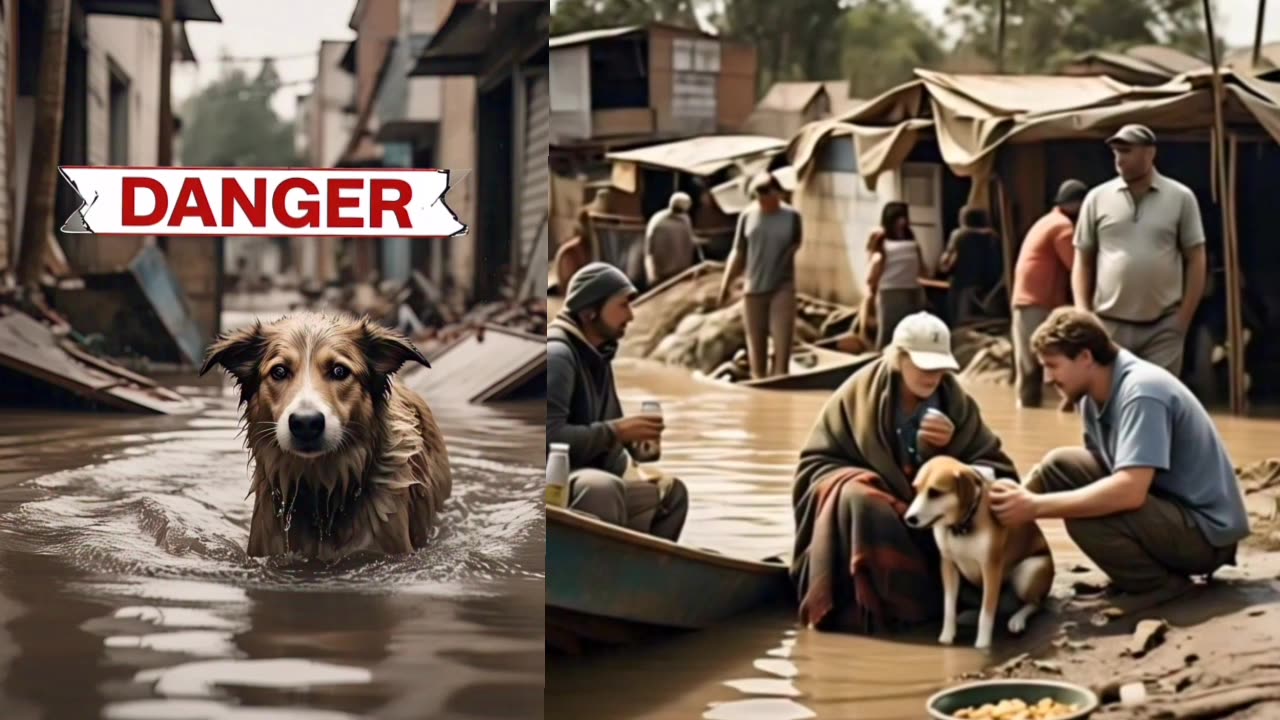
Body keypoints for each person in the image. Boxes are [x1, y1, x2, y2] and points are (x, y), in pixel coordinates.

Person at [991, 307, 1249, 614]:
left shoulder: (1142, 392)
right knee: (1056, 466)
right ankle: (1007, 558)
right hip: (1167, 509)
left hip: (1206, 536)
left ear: (1085, 357)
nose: (1047, 378)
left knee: (1082, 516)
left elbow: (1129, 490)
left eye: (1052, 366)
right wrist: (1016, 497)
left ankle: (1157, 585)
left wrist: (1035, 506)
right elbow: (1100, 468)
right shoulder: (1089, 394)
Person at [791, 311, 1018, 633]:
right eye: (923, 366)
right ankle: (864, 609)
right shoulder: (859, 395)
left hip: (931, 519)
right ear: (899, 358)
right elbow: (815, 465)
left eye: (939, 367)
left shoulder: (956, 404)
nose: (932, 375)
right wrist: (868, 484)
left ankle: (930, 604)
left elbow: (997, 471)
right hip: (872, 512)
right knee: (860, 497)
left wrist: (945, 454)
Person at [547, 262, 690, 540]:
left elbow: (605, 436)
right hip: (552, 480)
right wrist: (618, 431)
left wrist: (635, 444)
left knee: (671, 493)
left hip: (588, 472)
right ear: (590, 312)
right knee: (602, 488)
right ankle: (592, 577)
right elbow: (550, 438)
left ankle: (640, 577)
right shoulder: (558, 356)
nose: (631, 315)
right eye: (623, 305)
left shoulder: (599, 355)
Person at [1072, 124, 1207, 377]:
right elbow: (1083, 258)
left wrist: (1183, 317)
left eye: (1126, 151)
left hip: (1163, 327)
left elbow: (1196, 258)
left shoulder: (1181, 197)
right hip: (1109, 325)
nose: (1119, 159)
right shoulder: (1097, 197)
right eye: (1115, 152)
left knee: (1156, 401)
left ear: (1150, 153)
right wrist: (1083, 312)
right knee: (1109, 402)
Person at [718, 172, 803, 380]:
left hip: (782, 287)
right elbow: (738, 251)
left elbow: (794, 246)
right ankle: (759, 388)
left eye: (767, 194)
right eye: (758, 195)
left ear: (778, 193)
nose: (763, 200)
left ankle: (781, 386)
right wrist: (726, 284)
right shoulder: (747, 216)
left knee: (782, 351)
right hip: (753, 288)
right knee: (757, 355)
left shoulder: (792, 217)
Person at [1012, 179, 1088, 409]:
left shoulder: (1047, 221)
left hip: (1028, 301)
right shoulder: (1062, 227)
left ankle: (1028, 416)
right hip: (1038, 303)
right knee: (1037, 366)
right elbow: (1076, 265)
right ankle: (1038, 411)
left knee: (1030, 367)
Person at [867, 201, 926, 350]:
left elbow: (921, 264)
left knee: (910, 331)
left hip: (911, 289)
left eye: (904, 217)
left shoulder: (910, 237)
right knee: (888, 331)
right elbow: (875, 267)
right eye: (899, 218)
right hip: (890, 291)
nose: (903, 221)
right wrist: (872, 290)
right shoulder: (881, 239)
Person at [940, 204, 1001, 328]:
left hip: (962, 285)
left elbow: (947, 263)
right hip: (988, 288)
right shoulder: (994, 237)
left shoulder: (959, 236)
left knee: (960, 324)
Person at [644, 192, 702, 287]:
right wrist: (651, 273)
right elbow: (649, 250)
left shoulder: (685, 219)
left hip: (682, 272)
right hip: (663, 275)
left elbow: (690, 239)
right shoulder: (658, 222)